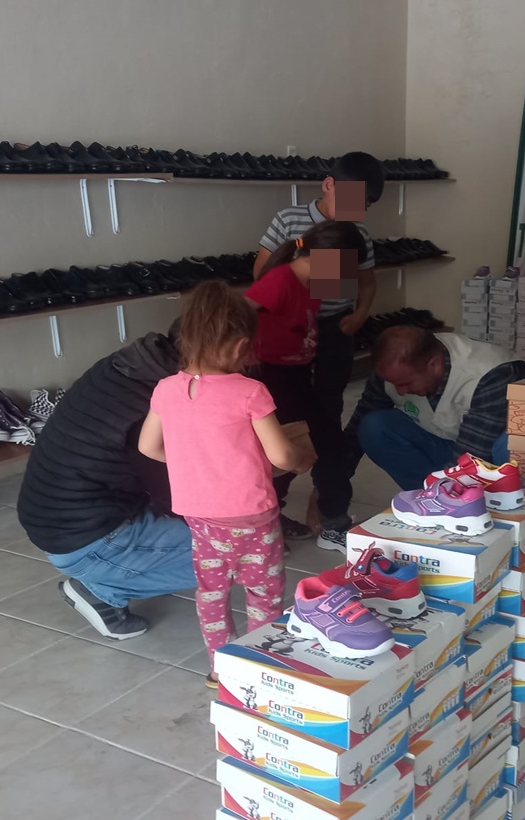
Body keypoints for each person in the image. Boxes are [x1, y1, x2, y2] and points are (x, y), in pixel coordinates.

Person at [139, 282, 311, 685]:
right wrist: (302, 460)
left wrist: (195, 464)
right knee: (263, 592)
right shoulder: (251, 392)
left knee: (212, 593)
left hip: (200, 517)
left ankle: (220, 669)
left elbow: (148, 447)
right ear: (240, 346)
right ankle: (259, 664)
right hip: (252, 516)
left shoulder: (165, 389)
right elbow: (281, 456)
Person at [18, 324, 191, 640]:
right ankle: (101, 590)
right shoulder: (159, 402)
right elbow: (177, 495)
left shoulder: (133, 363)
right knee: (235, 552)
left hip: (61, 520)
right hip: (84, 537)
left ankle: (116, 570)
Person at [254, 152, 383, 533]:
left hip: (330, 331)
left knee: (326, 415)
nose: (358, 211)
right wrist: (294, 293)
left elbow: (362, 283)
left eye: (365, 205)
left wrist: (359, 315)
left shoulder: (356, 235)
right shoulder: (289, 222)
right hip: (287, 338)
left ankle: (325, 502)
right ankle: (274, 506)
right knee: (289, 420)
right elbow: (264, 274)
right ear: (328, 185)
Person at [247, 219, 366, 550]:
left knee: (322, 446)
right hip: (269, 379)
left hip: (296, 376)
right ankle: (265, 527)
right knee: (287, 452)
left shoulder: (309, 282)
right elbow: (236, 315)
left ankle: (328, 522)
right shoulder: (280, 281)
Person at [345, 326, 525, 491]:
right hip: (447, 440)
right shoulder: (393, 367)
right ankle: (429, 497)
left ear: (433, 365)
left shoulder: (491, 374)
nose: (400, 392)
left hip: (490, 455)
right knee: (374, 427)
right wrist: (336, 480)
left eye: (406, 383)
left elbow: (472, 454)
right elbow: (358, 423)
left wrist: (450, 489)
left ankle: (492, 504)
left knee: (508, 443)